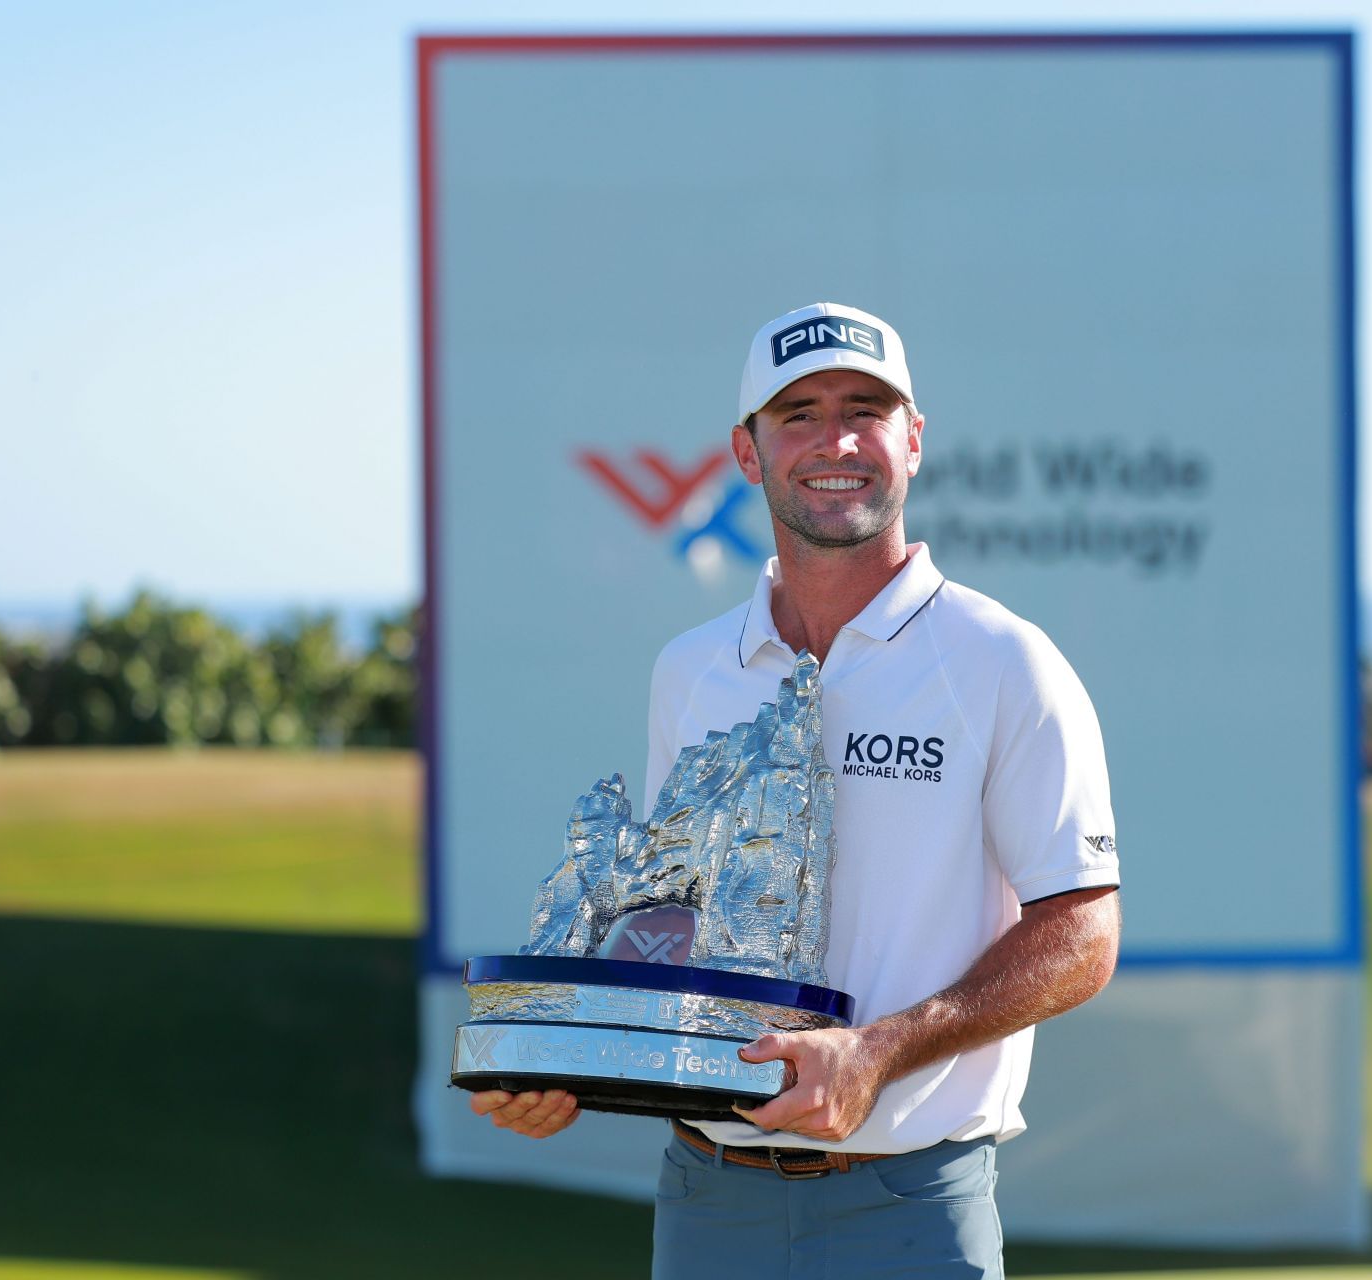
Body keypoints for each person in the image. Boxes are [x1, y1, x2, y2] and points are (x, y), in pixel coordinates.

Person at [471, 302, 1122, 1278]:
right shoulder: (689, 671)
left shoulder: (1003, 661)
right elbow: (672, 919)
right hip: (707, 1198)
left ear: (912, 439)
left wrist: (882, 1050)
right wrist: (568, 1057)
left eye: (865, 408)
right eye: (799, 414)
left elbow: (1083, 929)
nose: (836, 440)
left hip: (909, 1206)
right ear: (747, 450)